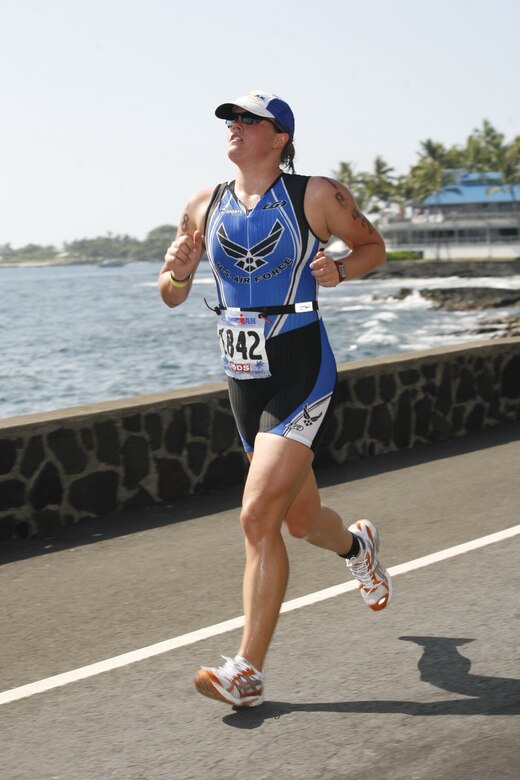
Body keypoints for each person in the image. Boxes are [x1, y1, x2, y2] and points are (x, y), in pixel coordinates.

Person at [159, 90, 391, 708]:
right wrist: (179, 270)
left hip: (299, 366)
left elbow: (374, 247)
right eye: (230, 119)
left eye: (247, 119)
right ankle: (357, 546)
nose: (233, 127)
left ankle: (248, 671)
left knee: (257, 517)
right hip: (242, 374)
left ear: (279, 136)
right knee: (298, 519)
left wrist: (341, 270)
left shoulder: (316, 195)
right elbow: (171, 292)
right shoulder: (202, 205)